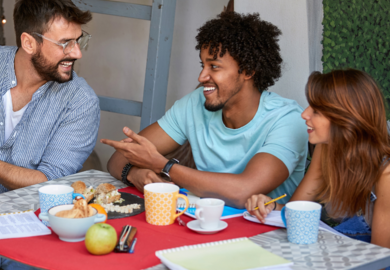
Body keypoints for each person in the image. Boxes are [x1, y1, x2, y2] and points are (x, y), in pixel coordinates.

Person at [102, 11, 308, 209]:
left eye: (214, 67)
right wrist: (133, 173)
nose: (201, 77)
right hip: (203, 225)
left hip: (265, 234)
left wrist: (163, 166)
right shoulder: (194, 103)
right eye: (203, 65)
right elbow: (119, 158)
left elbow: (243, 191)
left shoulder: (287, 120)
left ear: (248, 71)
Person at [246, 69, 390, 251]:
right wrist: (269, 205)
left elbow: (380, 259)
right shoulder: (326, 149)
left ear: (345, 118)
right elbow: (297, 210)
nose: (304, 114)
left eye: (316, 111)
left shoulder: (386, 174)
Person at [0, 0, 100, 198]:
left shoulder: (81, 102)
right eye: (65, 43)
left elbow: (51, 183)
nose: (77, 53)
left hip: (24, 217)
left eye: (78, 40)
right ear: (29, 43)